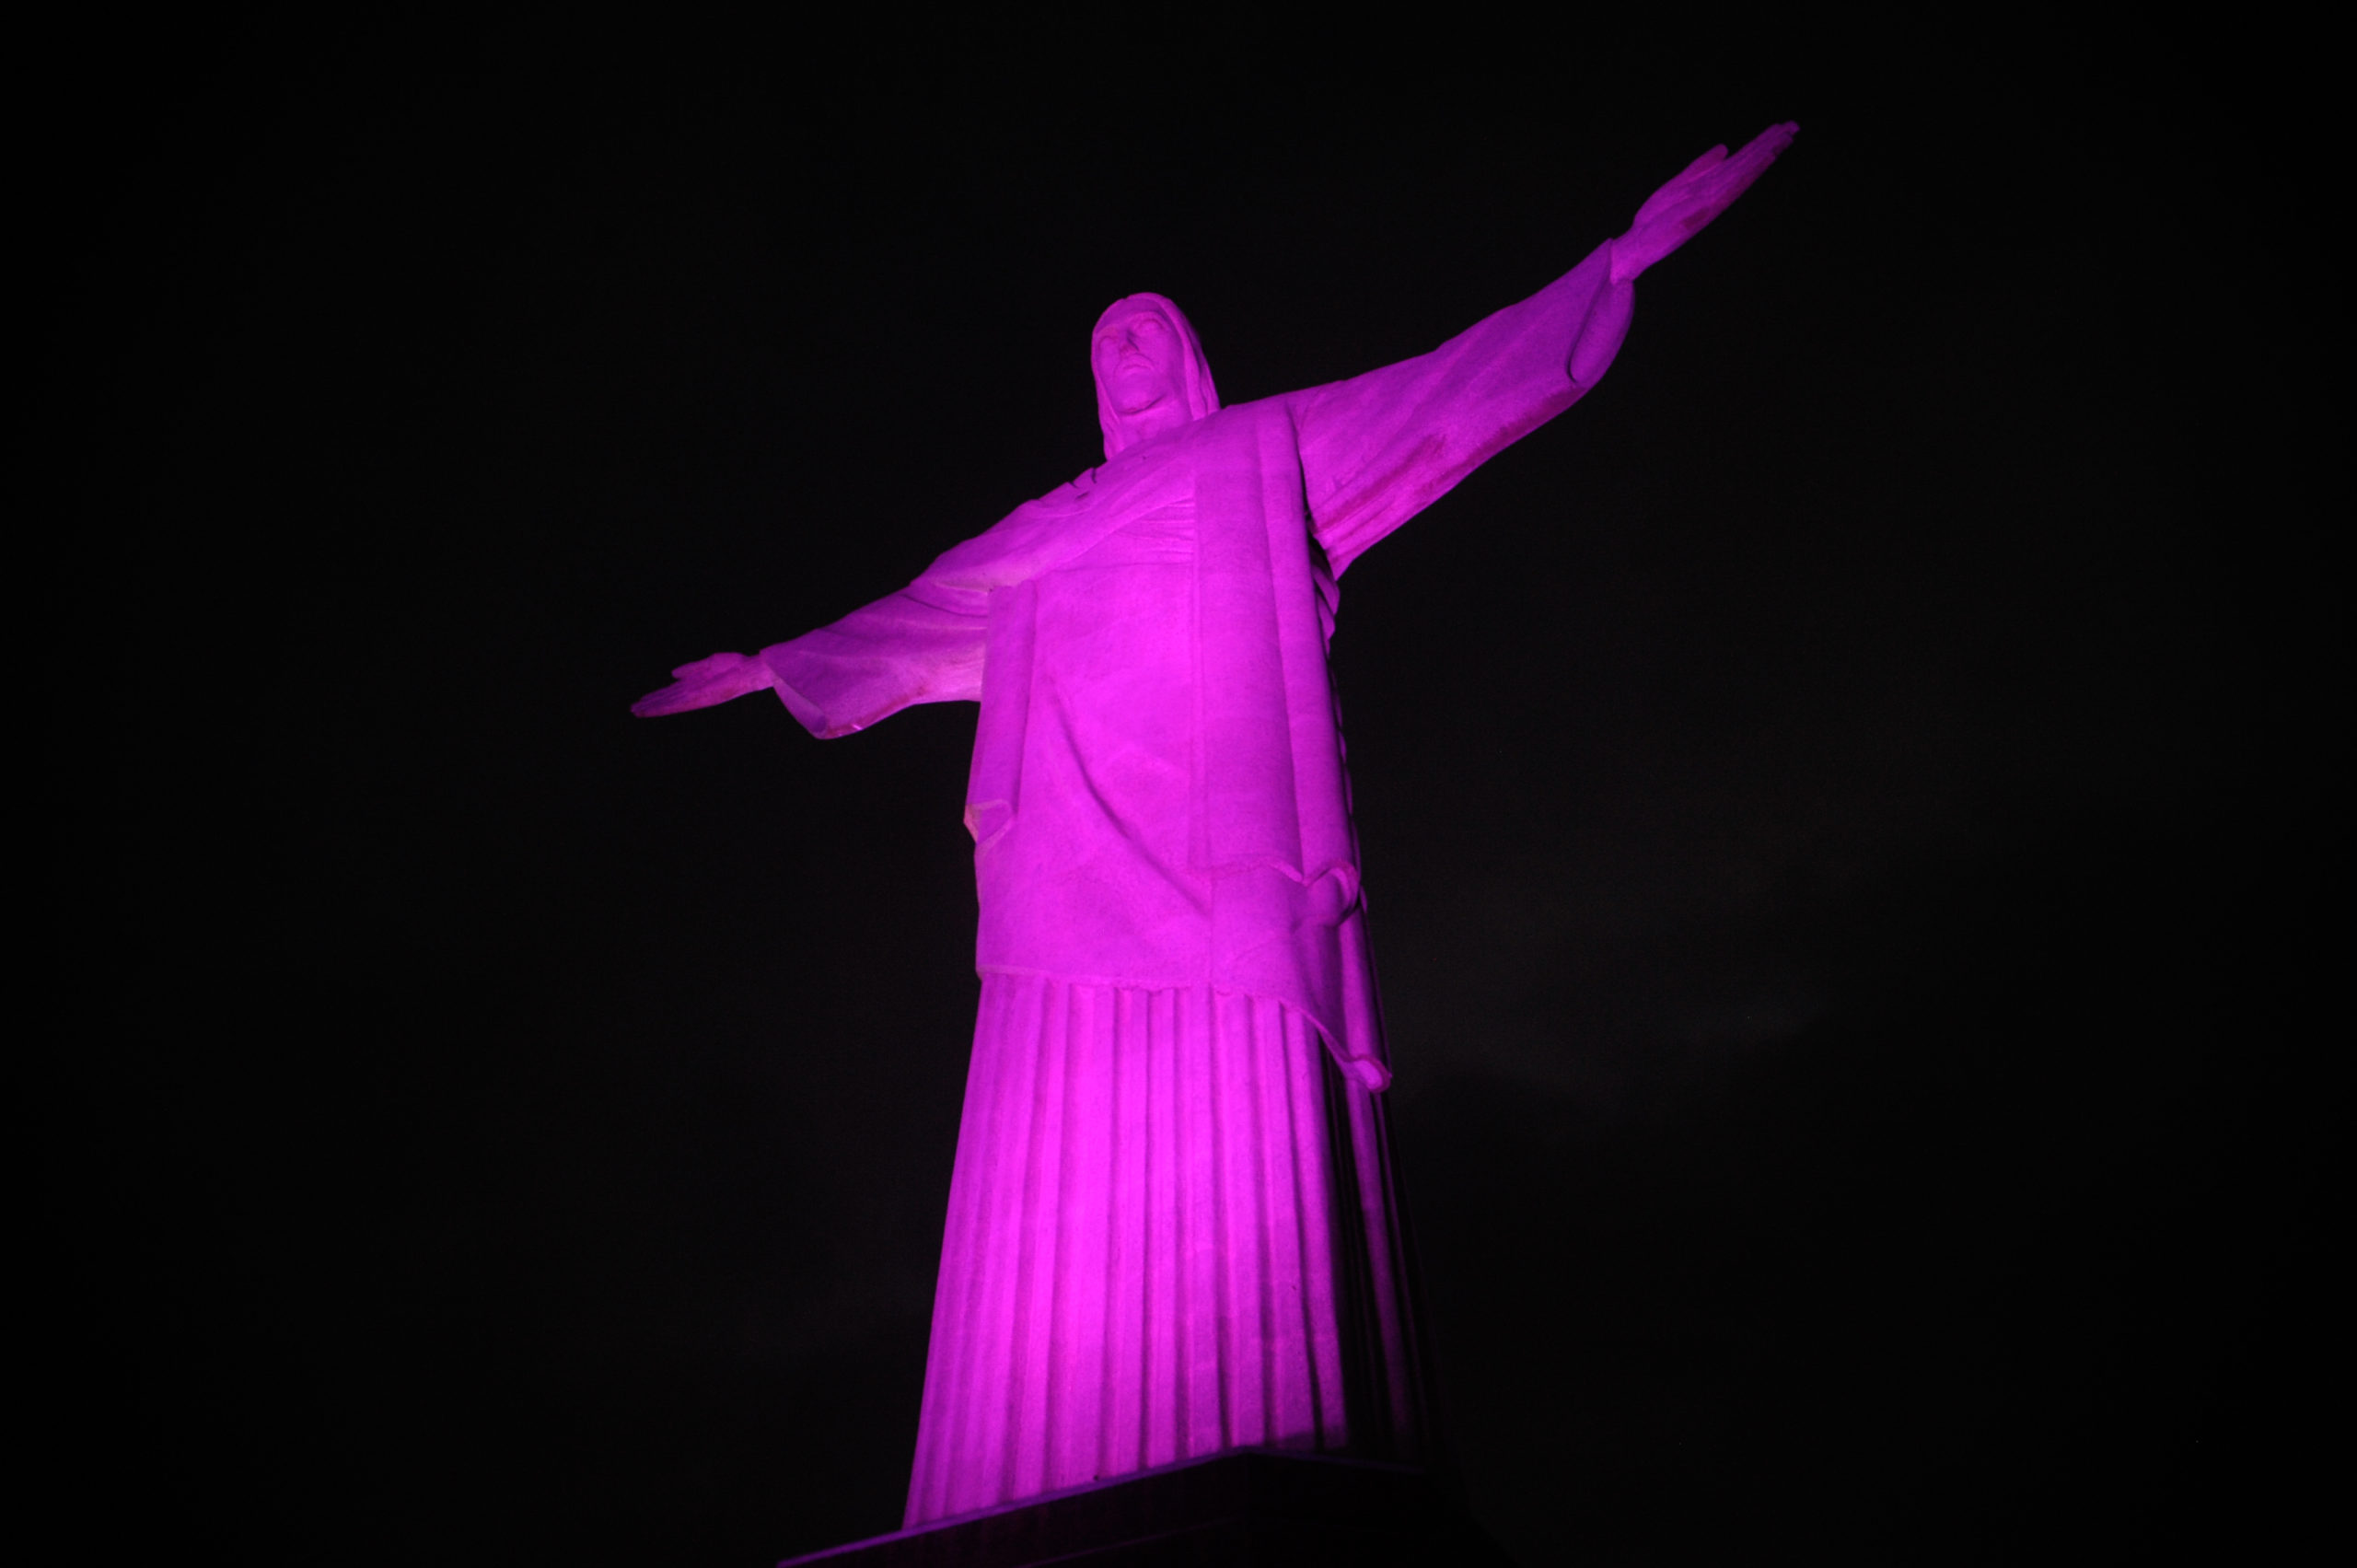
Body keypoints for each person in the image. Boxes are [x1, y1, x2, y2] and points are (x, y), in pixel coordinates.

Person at [635, 123, 1796, 1527]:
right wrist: (771, 665)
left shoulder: (1266, 447)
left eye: (1145, 326)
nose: (1122, 343)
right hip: (1067, 842)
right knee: (1046, 1102)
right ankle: (1019, 1476)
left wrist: (1614, 262)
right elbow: (919, 617)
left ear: (1183, 358)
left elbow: (1445, 392)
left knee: (1249, 1069)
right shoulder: (1047, 522)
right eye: (1102, 334)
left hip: (1228, 825)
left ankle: (1269, 1440)